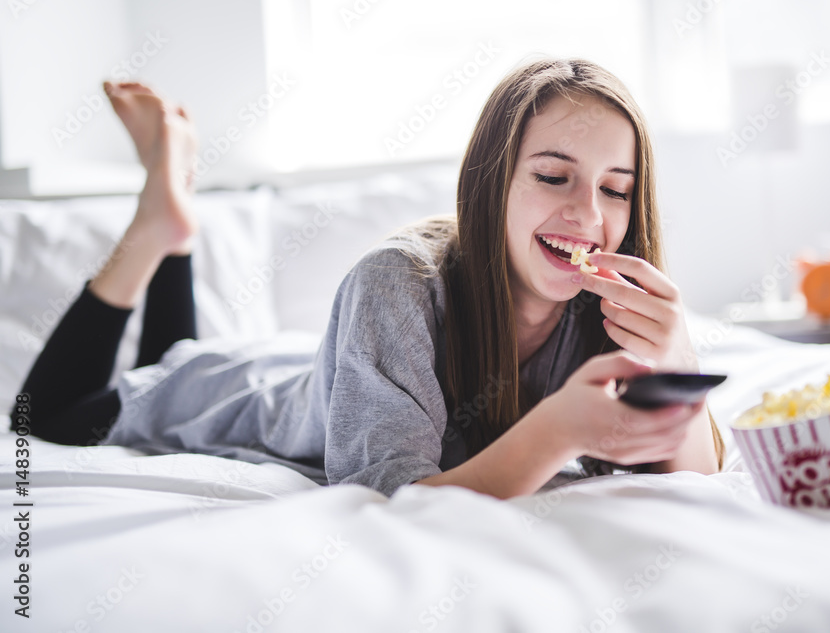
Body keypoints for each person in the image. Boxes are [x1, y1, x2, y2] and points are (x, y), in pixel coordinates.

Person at [12, 58, 725, 499]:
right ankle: (154, 226)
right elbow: (391, 497)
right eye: (552, 176)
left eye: (616, 188)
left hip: (312, 366)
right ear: (491, 183)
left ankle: (175, 220)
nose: (588, 213)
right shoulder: (396, 284)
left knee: (172, 356)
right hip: (234, 394)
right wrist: (558, 429)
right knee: (54, 413)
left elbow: (694, 478)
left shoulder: (604, 314)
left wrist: (679, 361)